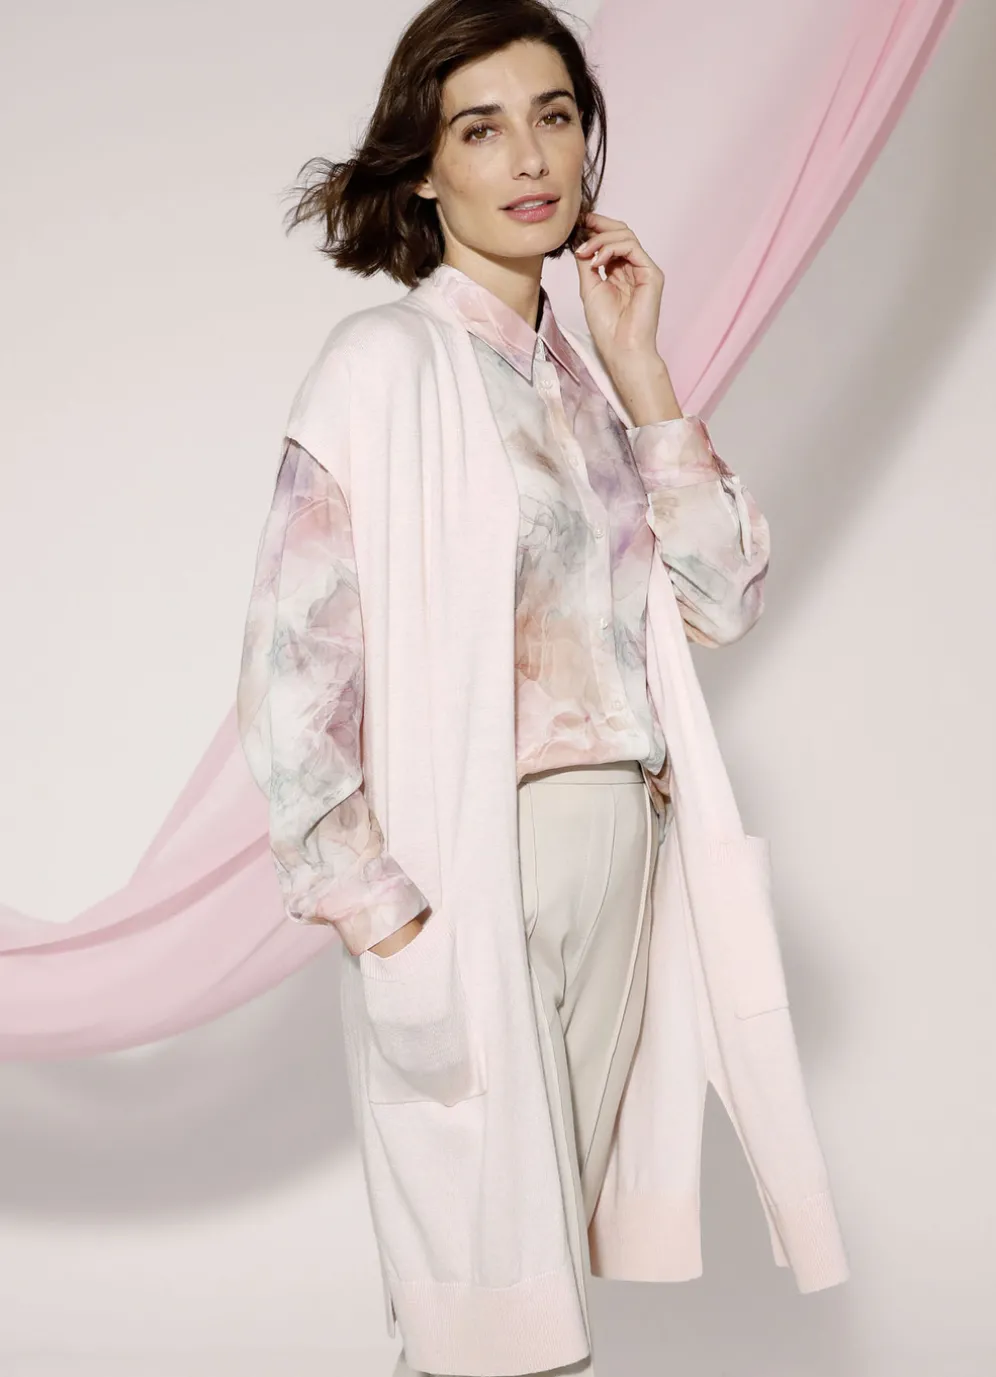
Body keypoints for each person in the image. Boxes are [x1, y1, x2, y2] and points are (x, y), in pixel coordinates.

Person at [235, 2, 849, 1374]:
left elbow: (720, 597)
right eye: (481, 127)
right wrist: (387, 918)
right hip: (485, 856)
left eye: (555, 116)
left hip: (622, 850)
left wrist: (643, 374)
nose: (530, 156)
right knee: (483, 1305)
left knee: (542, 1296)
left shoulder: (582, 385)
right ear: (423, 168)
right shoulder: (382, 367)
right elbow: (290, 680)